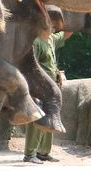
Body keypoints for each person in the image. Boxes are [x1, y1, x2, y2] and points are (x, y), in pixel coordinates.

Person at [24, 10, 70, 163]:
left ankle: (43, 152)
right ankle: (30, 154)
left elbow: (67, 33)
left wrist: (80, 13)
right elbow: (32, 66)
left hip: (52, 87)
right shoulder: (36, 42)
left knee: (51, 117)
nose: (55, 26)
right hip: (40, 86)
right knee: (38, 117)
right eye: (52, 22)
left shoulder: (51, 39)